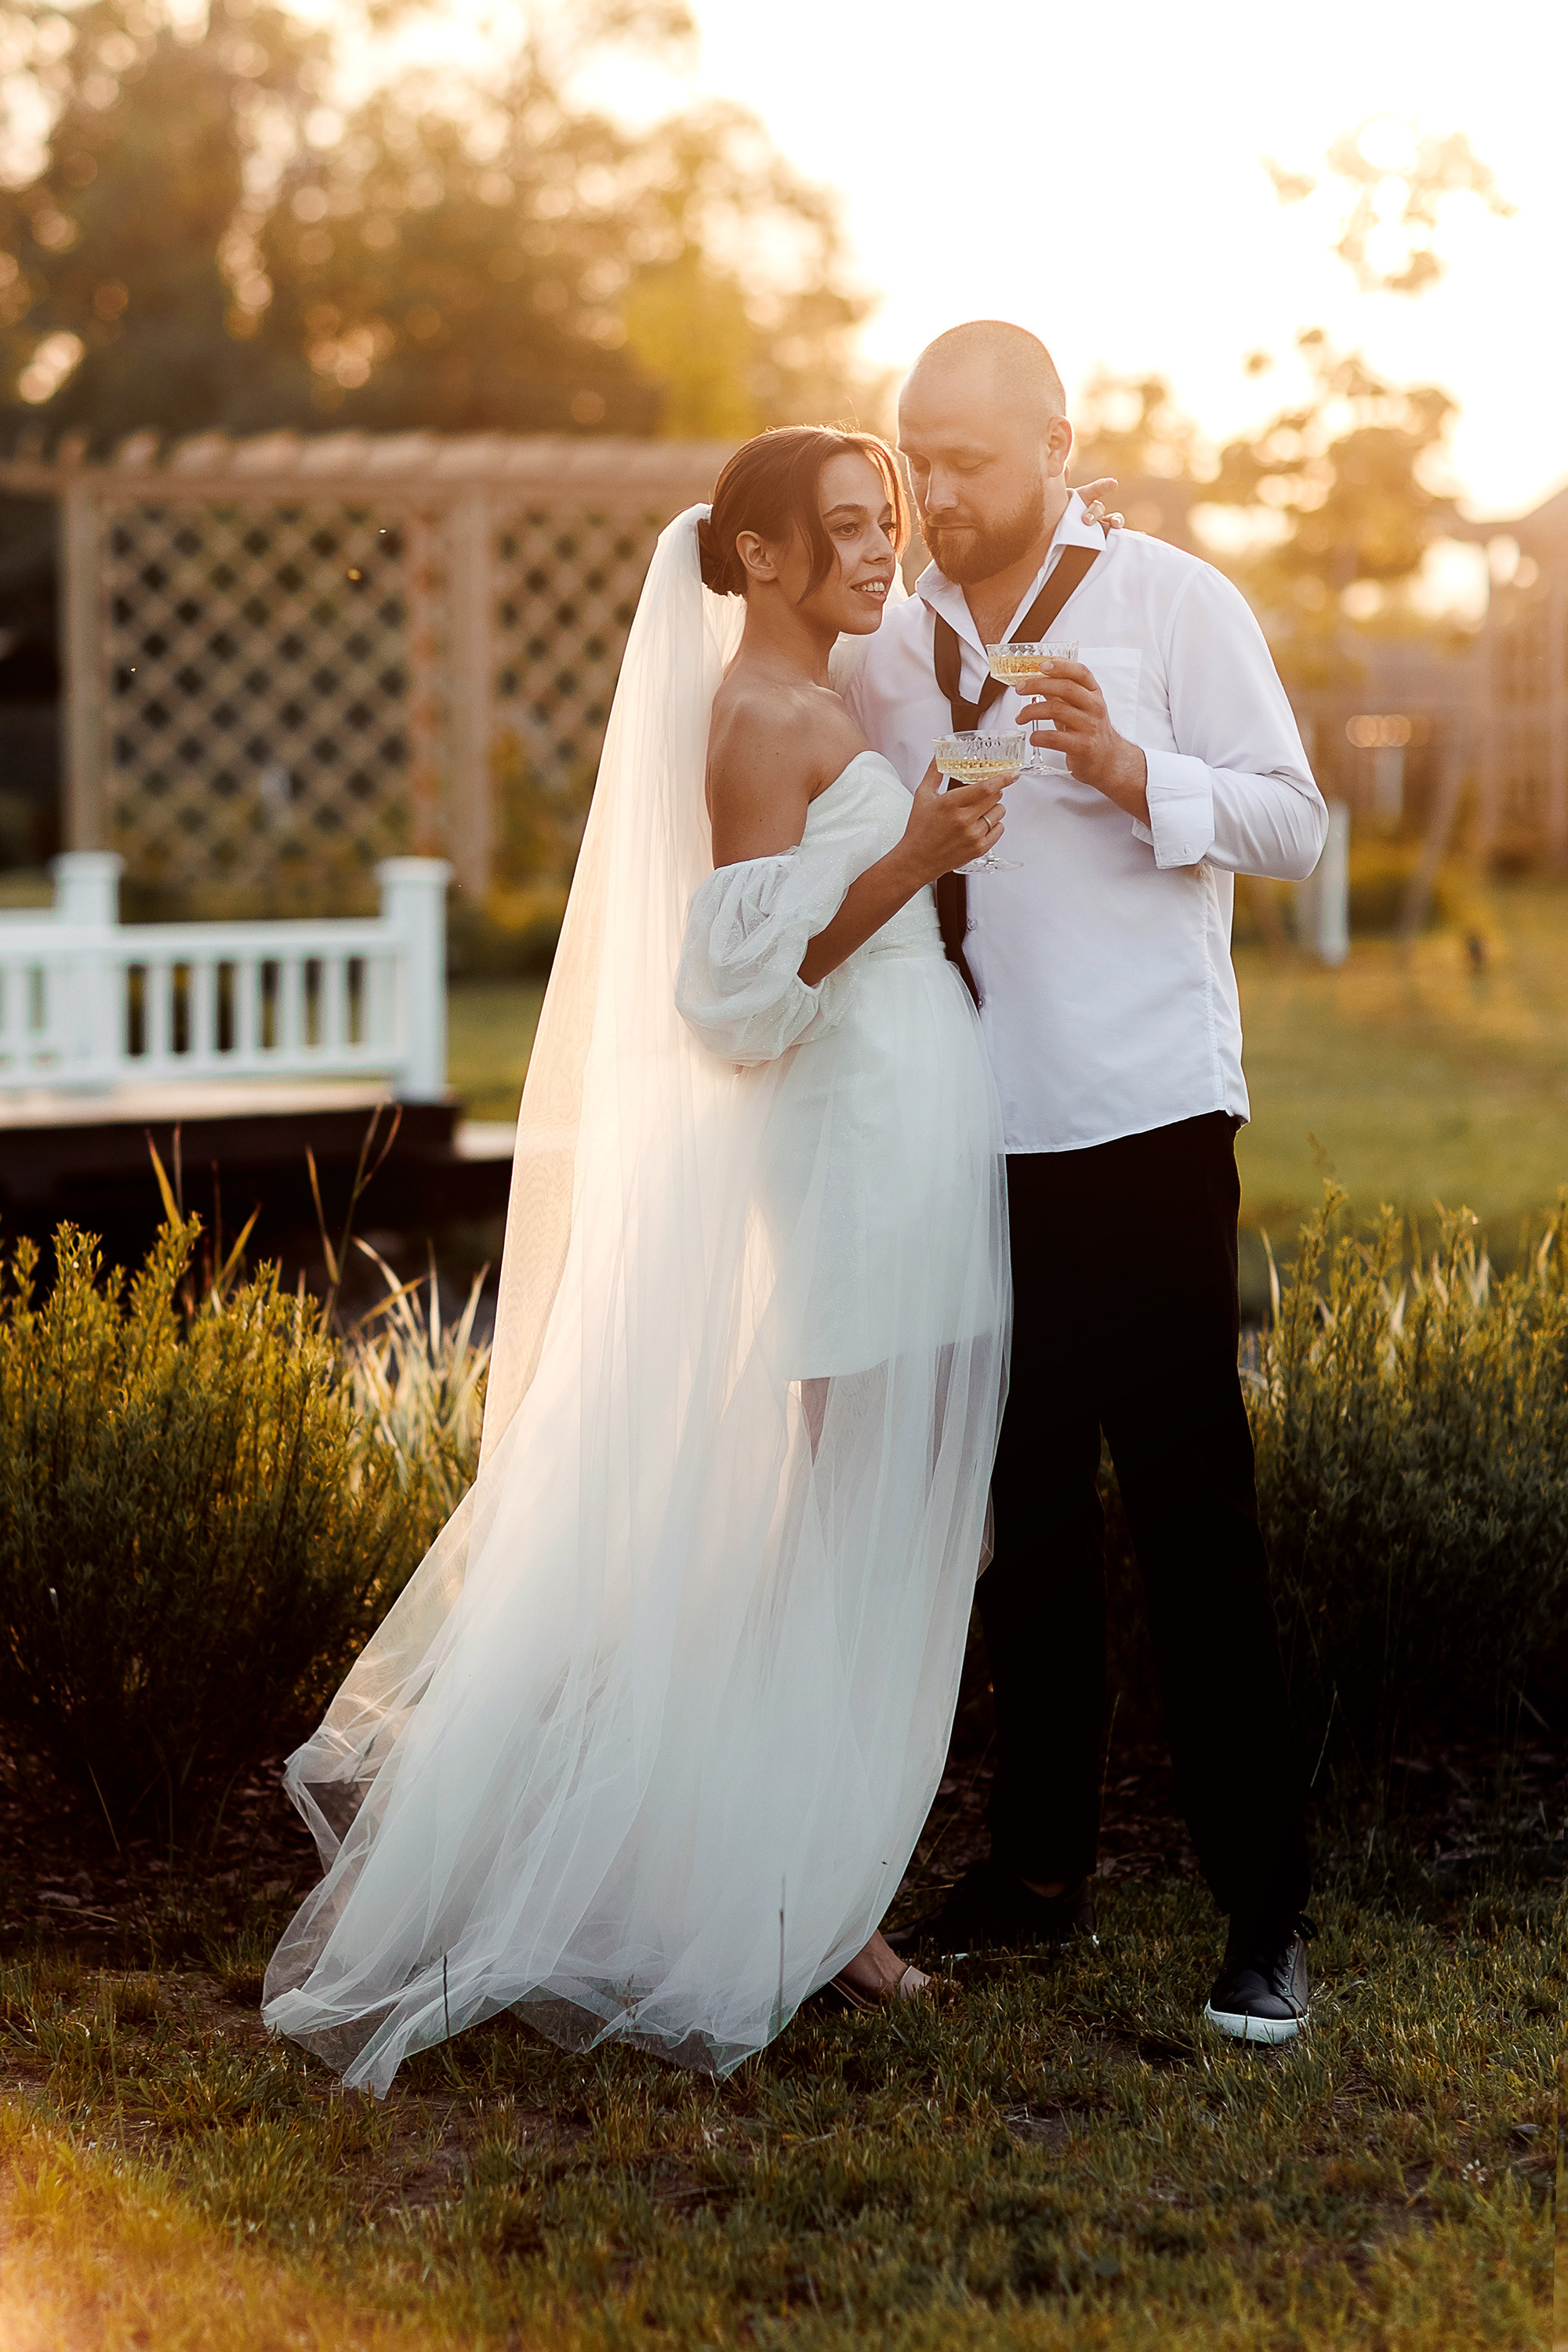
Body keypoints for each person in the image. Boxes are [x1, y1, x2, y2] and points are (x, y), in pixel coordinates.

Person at [262, 426, 1011, 2090]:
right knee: (821, 1545)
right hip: (848, 1153)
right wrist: (918, 859)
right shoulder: (756, 718)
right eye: (845, 530)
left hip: (905, 1145)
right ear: (754, 559)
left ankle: (826, 1891)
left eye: (885, 525)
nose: (883, 552)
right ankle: (803, 1912)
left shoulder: (823, 703)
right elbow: (733, 999)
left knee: (882, 1535)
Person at [849, 320, 1327, 2045]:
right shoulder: (893, 646)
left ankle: (1264, 1913)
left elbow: (1297, 821)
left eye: (966, 458)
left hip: (1142, 1126)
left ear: (1057, 441)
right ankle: (1035, 1876)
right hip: (967, 1145)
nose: (937, 492)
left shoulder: (1174, 604)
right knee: (1022, 1532)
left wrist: (1141, 775)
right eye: (918, 458)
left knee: (1194, 1530)